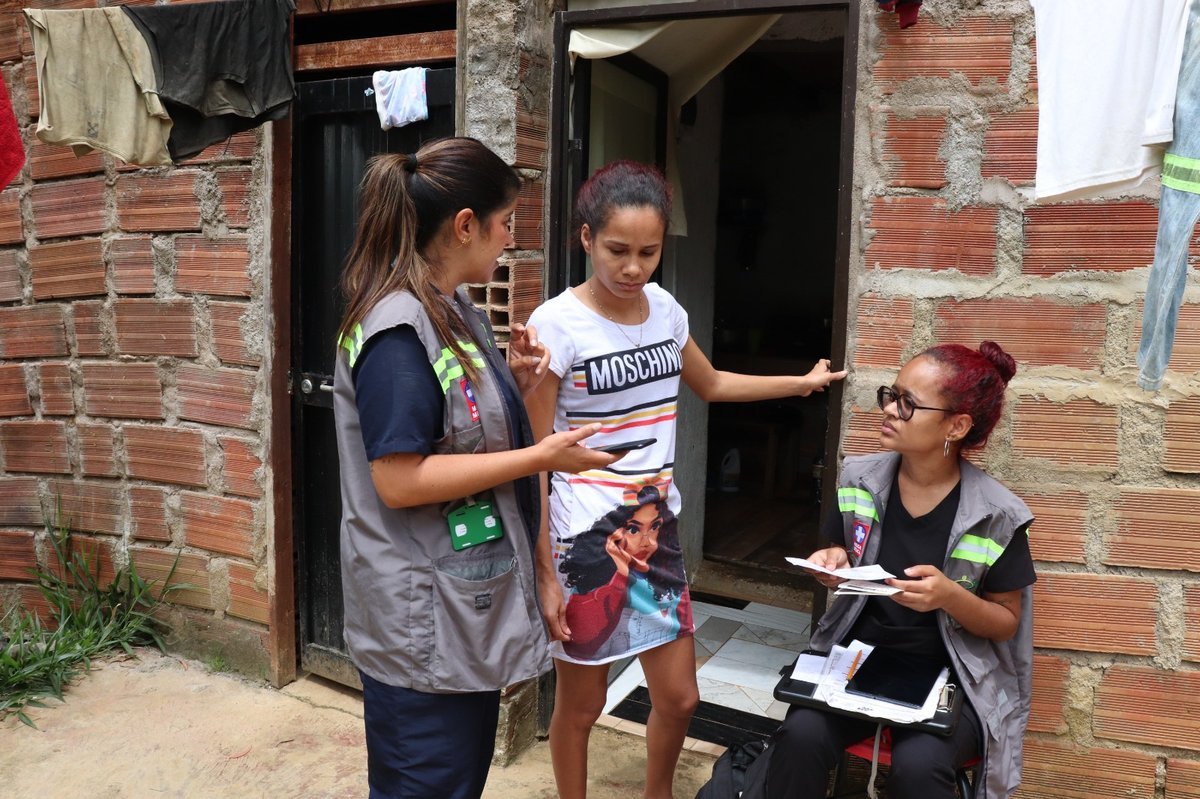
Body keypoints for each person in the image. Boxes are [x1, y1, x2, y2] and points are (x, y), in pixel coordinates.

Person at [524, 160, 847, 799]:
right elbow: (536, 456)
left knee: (678, 697)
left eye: (648, 252)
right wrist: (542, 572)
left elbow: (714, 382)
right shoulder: (553, 326)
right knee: (582, 705)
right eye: (617, 250)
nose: (633, 267)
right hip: (584, 542)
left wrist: (802, 383)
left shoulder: (666, 311)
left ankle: (658, 794)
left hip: (656, 534)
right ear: (586, 239)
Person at [331, 138, 620, 799]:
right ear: (465, 225)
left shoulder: (453, 309)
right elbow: (398, 479)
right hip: (418, 625)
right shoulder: (398, 330)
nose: (510, 239)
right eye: (506, 222)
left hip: (458, 615)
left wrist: (512, 384)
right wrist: (541, 454)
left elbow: (454, 428)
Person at [767, 341, 1037, 799]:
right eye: (891, 395)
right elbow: (839, 549)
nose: (890, 410)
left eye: (908, 403)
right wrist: (832, 562)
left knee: (920, 766)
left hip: (953, 675)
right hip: (857, 659)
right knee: (800, 737)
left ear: (957, 425)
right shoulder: (859, 478)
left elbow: (1007, 624)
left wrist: (950, 596)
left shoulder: (995, 515)